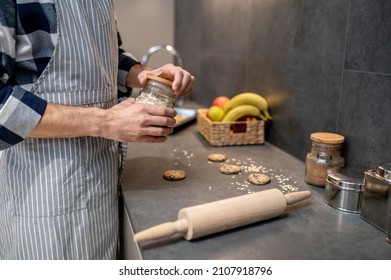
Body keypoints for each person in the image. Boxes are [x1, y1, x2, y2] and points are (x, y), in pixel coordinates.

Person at [0, 0, 195, 260]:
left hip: (100, 181)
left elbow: (106, 57)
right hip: (41, 196)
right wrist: (105, 122)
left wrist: (149, 76)